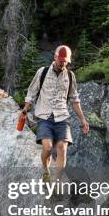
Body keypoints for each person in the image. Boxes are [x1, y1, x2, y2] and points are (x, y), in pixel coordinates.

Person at [21, 45, 89, 183]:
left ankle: (56, 181)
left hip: (62, 117)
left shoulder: (70, 76)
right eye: (60, 61)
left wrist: (83, 120)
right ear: (55, 58)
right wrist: (25, 109)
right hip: (44, 116)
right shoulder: (43, 72)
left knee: (62, 148)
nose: (62, 64)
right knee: (47, 147)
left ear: (68, 61)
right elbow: (32, 92)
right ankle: (46, 172)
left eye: (65, 62)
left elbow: (74, 99)